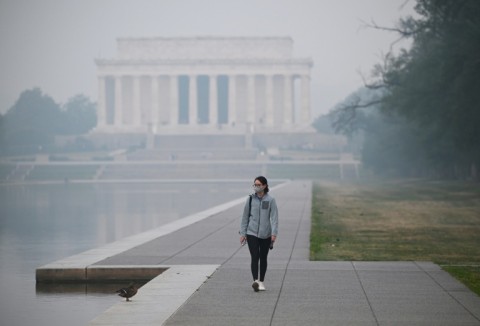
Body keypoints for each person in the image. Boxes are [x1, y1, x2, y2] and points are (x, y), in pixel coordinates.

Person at [239, 176, 278, 292]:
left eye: (259, 185)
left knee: (263, 258)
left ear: (265, 186)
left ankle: (261, 281)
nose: (256, 187)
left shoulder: (270, 200)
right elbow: (245, 217)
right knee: (255, 256)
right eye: (255, 185)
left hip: (266, 234)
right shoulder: (250, 199)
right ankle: (255, 280)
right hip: (251, 233)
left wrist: (274, 233)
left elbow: (274, 218)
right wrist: (243, 233)